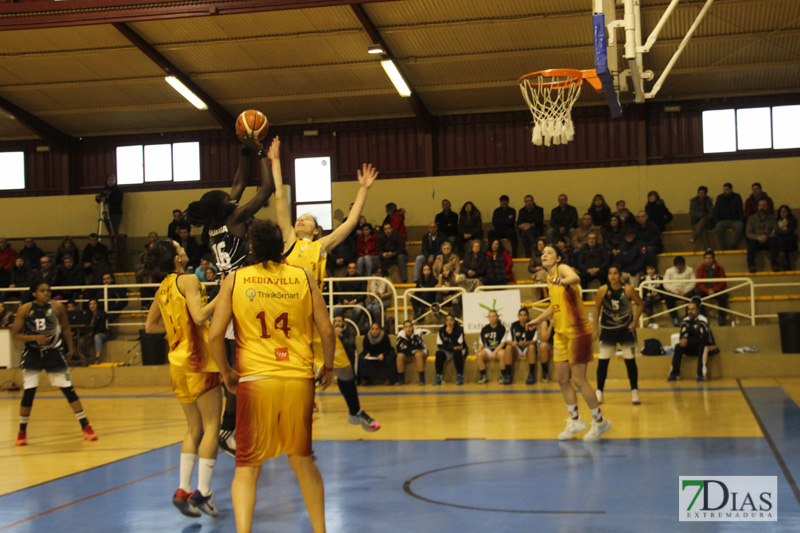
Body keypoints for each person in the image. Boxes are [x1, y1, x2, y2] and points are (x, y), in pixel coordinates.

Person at [207, 219, 334, 533]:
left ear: (251, 248)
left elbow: (214, 336)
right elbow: (328, 331)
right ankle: (320, 530)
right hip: (298, 378)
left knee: (248, 467)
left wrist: (225, 373)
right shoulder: (303, 276)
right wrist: (327, 366)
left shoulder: (235, 280)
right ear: (282, 248)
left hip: (255, 380)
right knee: (302, 460)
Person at [270, 142, 382, 432]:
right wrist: (275, 162)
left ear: (316, 229)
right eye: (299, 219)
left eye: (306, 219)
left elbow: (352, 220)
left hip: (314, 317)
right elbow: (280, 197)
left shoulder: (320, 247)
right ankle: (291, 427)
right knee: (294, 375)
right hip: (289, 319)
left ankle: (355, 411)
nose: (300, 219)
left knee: (343, 368)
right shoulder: (288, 242)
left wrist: (364, 189)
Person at [184, 135, 276, 457]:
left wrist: (243, 149)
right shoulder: (234, 218)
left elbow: (238, 182)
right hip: (243, 293)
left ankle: (239, 424)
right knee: (246, 365)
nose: (232, 195)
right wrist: (262, 151)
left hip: (228, 290)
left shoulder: (212, 226)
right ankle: (228, 427)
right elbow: (265, 191)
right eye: (227, 197)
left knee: (245, 362)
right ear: (224, 205)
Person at [144, 239, 221, 518]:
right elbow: (200, 317)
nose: (184, 249)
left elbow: (150, 326)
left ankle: (182, 489)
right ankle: (203, 492)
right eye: (179, 247)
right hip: (198, 361)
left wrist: (175, 327)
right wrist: (223, 296)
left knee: (193, 429)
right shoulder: (187, 279)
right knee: (212, 426)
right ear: (177, 259)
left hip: (176, 363)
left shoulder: (162, 287)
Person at [525, 245, 611, 442]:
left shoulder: (561, 269)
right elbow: (555, 306)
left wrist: (561, 279)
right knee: (563, 379)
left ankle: (600, 422)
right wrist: (538, 320)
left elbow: (575, 278)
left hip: (577, 331)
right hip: (561, 334)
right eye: (543, 253)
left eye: (549, 252)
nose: (544, 255)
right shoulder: (549, 279)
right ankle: (575, 420)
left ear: (558, 257)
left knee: (579, 379)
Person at [11, 281, 98, 446]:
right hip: (33, 354)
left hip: (53, 353)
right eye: (42, 291)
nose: (46, 293)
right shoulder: (25, 309)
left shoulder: (57, 308)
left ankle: (86, 426)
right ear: (34, 293)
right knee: (29, 393)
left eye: (48, 290)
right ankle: (22, 431)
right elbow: (15, 334)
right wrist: (34, 338)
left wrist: (70, 348)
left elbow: (66, 328)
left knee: (69, 390)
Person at [593, 266, 644, 406]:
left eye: (615, 273)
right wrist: (595, 328)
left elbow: (640, 304)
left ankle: (634, 391)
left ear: (620, 275)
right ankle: (599, 392)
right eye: (610, 273)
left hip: (625, 330)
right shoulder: (602, 290)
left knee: (630, 361)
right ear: (608, 276)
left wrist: (635, 322)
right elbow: (597, 308)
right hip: (608, 330)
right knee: (603, 362)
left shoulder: (627, 289)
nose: (613, 276)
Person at [668, 299, 714, 382]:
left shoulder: (703, 320)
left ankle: (701, 374)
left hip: (705, 345)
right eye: (689, 309)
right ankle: (674, 374)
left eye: (693, 309)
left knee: (702, 347)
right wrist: (683, 340)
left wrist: (688, 340)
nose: (690, 311)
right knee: (678, 347)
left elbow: (703, 338)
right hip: (690, 346)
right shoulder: (685, 321)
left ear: (698, 310)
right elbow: (683, 335)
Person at [690, 250, 729, 327]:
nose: (708, 260)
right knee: (698, 296)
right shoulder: (700, 269)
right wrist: (707, 290)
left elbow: (723, 283)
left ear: (713, 259)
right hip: (705, 290)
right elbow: (698, 283)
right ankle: (702, 317)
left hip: (716, 290)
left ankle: (721, 316)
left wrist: (714, 290)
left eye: (710, 258)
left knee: (723, 296)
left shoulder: (720, 269)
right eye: (706, 258)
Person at [504, 307, 542, 385]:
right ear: (518, 316)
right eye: (521, 315)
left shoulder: (532, 325)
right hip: (517, 349)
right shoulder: (514, 325)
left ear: (527, 316)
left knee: (532, 347)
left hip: (527, 349)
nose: (523, 317)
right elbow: (508, 341)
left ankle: (531, 375)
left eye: (525, 315)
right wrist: (513, 343)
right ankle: (508, 375)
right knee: (508, 348)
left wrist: (526, 343)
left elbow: (535, 341)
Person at [745, 199, 779, 272]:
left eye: (764, 205)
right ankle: (751, 266)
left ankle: (774, 265)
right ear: (757, 207)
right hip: (756, 239)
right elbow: (748, 232)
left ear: (767, 207)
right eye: (760, 205)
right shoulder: (752, 218)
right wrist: (757, 237)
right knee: (751, 244)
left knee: (773, 243)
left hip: (768, 239)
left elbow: (776, 232)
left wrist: (767, 236)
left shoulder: (773, 218)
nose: (761, 207)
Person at [475, 310, 509, 385]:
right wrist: (479, 349)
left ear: (497, 317)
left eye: (494, 316)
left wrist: (495, 352)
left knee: (502, 354)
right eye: (490, 316)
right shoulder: (484, 329)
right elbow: (481, 343)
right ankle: (483, 376)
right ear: (488, 318)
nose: (492, 318)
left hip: (498, 349)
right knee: (479, 354)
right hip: (488, 350)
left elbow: (503, 343)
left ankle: (503, 375)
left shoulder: (502, 328)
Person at [663, 256, 696, 327]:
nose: (679, 267)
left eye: (681, 265)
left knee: (692, 295)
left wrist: (685, 291)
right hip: (675, 292)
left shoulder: (690, 270)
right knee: (667, 296)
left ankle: (688, 317)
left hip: (686, 292)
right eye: (677, 265)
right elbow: (665, 284)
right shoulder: (669, 271)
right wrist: (676, 292)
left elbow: (693, 282)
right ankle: (674, 317)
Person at [433, 314, 465, 386]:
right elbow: (440, 345)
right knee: (438, 353)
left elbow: (459, 344)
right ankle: (439, 377)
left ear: (454, 321)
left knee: (457, 352)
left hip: (459, 351)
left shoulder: (459, 329)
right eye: (447, 320)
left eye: (451, 320)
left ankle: (460, 376)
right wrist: (452, 348)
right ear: (445, 322)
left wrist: (450, 334)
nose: (449, 322)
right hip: (447, 351)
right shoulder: (441, 330)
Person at [333, 262, 366, 328]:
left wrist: (355, 300)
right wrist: (343, 300)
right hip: (345, 301)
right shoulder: (343, 279)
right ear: (347, 269)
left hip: (357, 301)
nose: (352, 270)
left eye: (353, 268)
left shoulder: (361, 278)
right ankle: (336, 327)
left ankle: (349, 327)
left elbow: (363, 293)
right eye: (350, 268)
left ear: (356, 269)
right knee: (335, 309)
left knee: (358, 310)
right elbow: (339, 292)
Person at [395, 320, 428, 385]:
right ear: (403, 328)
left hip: (422, 351)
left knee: (418, 355)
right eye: (406, 327)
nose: (408, 329)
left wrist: (408, 349)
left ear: (412, 327)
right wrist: (412, 351)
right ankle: (400, 378)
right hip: (410, 353)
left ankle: (422, 378)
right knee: (399, 356)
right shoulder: (401, 334)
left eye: (410, 326)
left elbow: (419, 346)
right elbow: (399, 348)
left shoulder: (417, 333)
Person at [713, 183, 745, 250]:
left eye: (726, 190)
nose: (724, 191)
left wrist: (742, 220)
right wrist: (715, 222)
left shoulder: (737, 197)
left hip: (735, 220)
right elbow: (716, 211)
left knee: (740, 225)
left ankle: (733, 246)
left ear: (731, 190)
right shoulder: (720, 197)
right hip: (723, 220)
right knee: (718, 226)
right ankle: (723, 246)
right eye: (724, 190)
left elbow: (740, 210)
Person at [79, 299, 108, 365]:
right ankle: (87, 358)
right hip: (90, 334)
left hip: (101, 333)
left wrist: (92, 334)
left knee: (97, 337)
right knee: (80, 341)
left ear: (97, 305)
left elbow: (102, 328)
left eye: (94, 304)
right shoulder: (88, 315)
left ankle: (97, 357)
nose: (92, 306)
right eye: (90, 304)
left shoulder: (102, 314)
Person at [95, 174, 124, 239]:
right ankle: (113, 246)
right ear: (106, 181)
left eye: (112, 180)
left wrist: (107, 199)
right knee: (110, 232)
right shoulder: (104, 189)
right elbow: (100, 199)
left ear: (114, 181)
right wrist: (98, 198)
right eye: (109, 180)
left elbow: (118, 200)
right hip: (105, 212)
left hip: (115, 212)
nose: (110, 181)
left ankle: (118, 246)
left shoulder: (118, 190)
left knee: (114, 231)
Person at [775, 205, 798, 271]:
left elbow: (789, 231)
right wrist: (782, 232)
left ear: (788, 212)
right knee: (778, 241)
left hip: (791, 240)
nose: (783, 213)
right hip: (781, 242)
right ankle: (785, 263)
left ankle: (781, 260)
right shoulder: (777, 221)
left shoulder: (792, 220)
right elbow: (775, 230)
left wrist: (779, 232)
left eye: (785, 211)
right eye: (781, 211)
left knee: (780, 240)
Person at [528, 237, 549, 301]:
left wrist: (543, 267)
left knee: (541, 273)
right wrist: (536, 269)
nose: (540, 246)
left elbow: (550, 265)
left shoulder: (548, 254)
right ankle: (545, 293)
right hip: (537, 274)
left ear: (545, 245)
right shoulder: (534, 255)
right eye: (539, 244)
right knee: (540, 273)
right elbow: (530, 268)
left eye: (542, 244)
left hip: (547, 272)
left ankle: (539, 295)